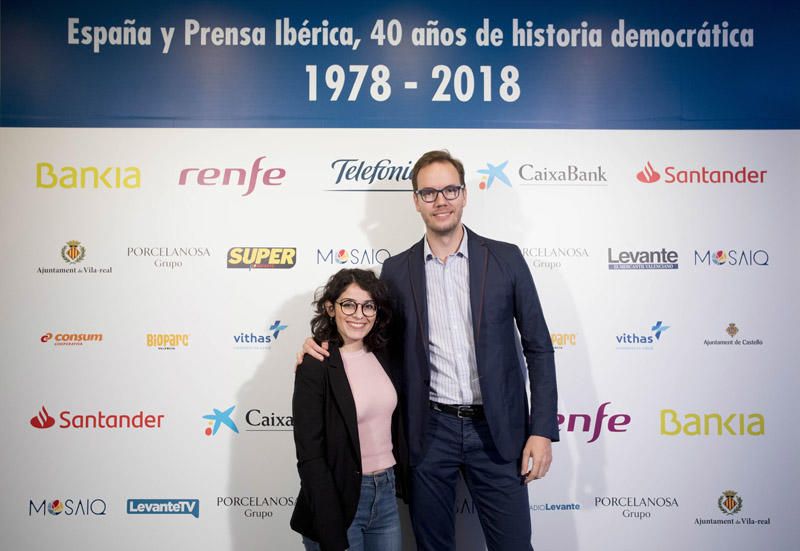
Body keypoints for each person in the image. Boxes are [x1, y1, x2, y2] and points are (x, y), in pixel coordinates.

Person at [301, 150, 558, 551]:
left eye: (450, 189)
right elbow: (373, 339)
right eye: (429, 192)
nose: (441, 200)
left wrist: (541, 430)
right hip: (428, 431)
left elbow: (539, 348)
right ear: (416, 200)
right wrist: (323, 345)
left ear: (465, 194)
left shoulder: (505, 258)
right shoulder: (398, 270)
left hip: (497, 432)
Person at [290, 268, 407, 551]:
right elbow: (310, 455)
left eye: (368, 305)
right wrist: (328, 526)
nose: (359, 314)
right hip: (338, 498)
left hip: (386, 494)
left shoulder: (385, 353)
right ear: (331, 308)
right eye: (348, 304)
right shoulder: (316, 363)